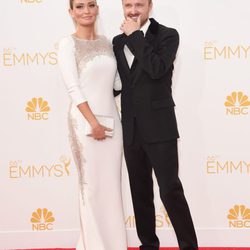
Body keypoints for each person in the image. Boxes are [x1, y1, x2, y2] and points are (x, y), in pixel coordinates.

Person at [112, 0, 198, 249]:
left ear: (150, 6)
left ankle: (189, 246)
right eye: (128, 4)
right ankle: (148, 245)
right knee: (140, 193)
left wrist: (136, 36)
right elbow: (120, 84)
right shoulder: (118, 42)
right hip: (131, 127)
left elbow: (157, 69)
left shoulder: (167, 35)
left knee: (170, 189)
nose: (133, 10)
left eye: (139, 4)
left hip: (160, 127)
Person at [57, 0, 127, 249]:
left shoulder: (107, 42)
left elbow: (117, 83)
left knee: (110, 186)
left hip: (113, 124)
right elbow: (73, 87)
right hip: (84, 123)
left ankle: (114, 244)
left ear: (97, 9)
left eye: (91, 5)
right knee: (91, 187)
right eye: (80, 6)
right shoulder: (68, 44)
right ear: (71, 12)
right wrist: (93, 122)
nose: (86, 11)